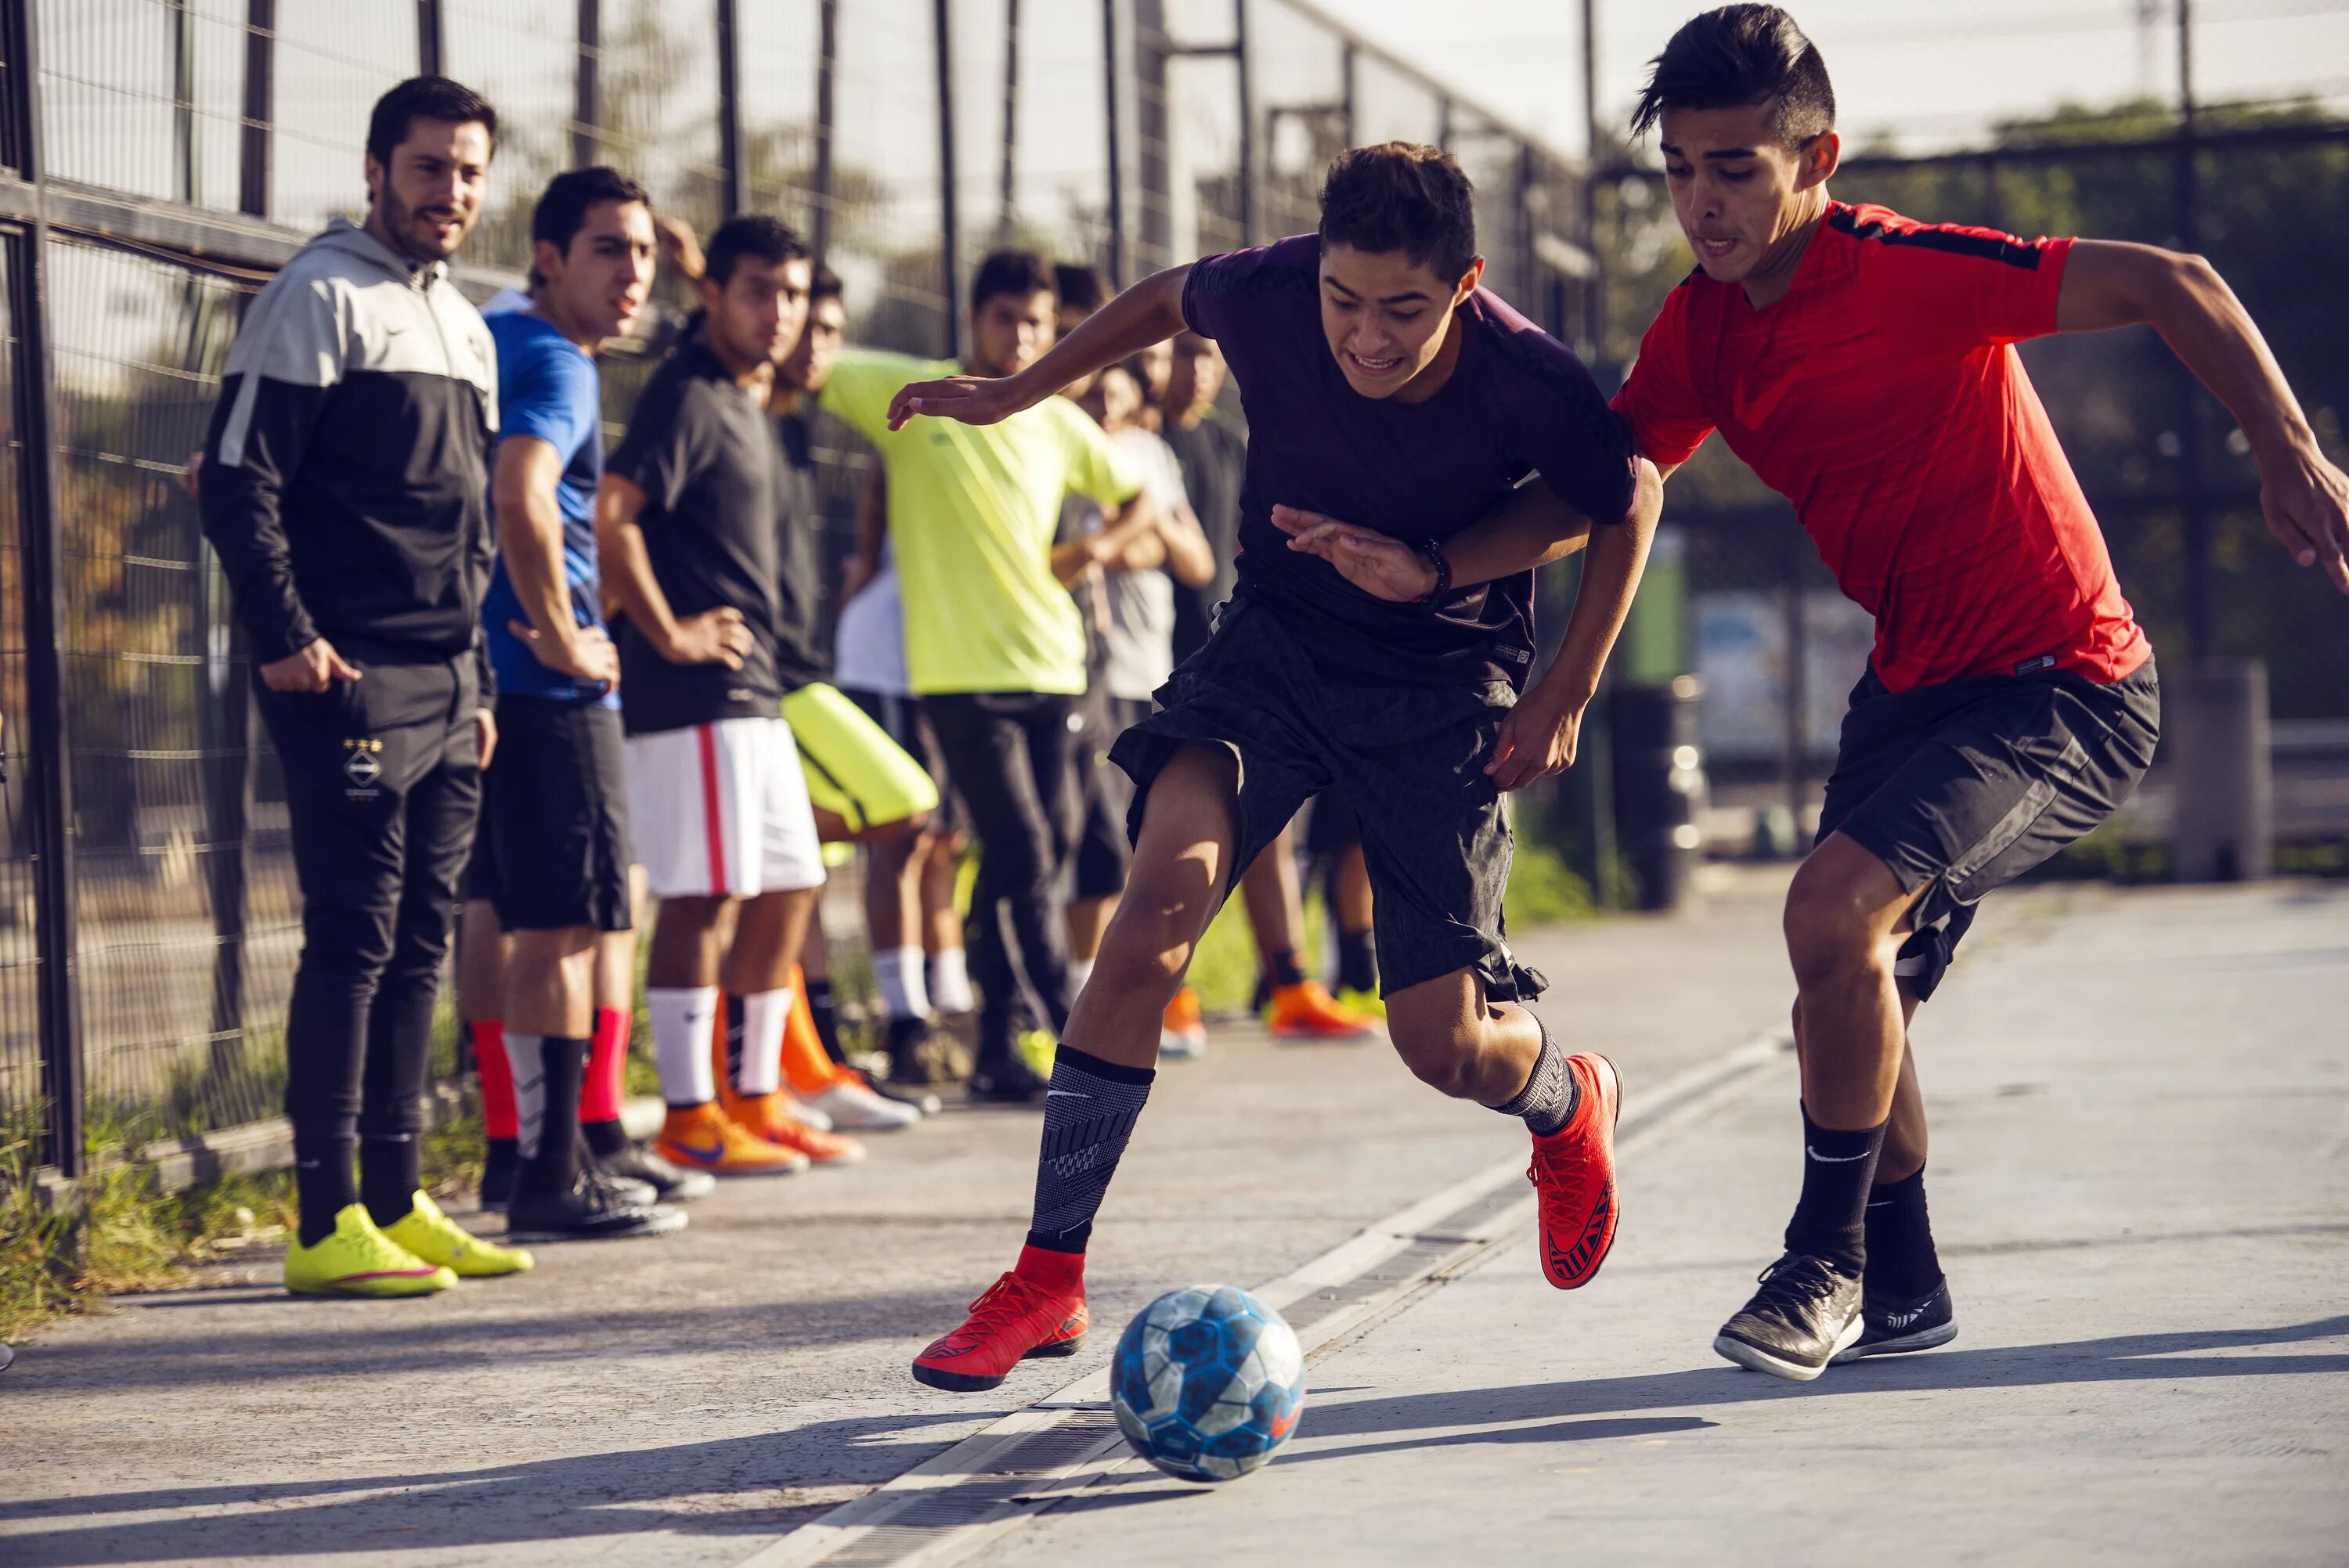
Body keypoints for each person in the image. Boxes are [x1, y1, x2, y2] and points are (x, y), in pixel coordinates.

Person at [1615, 5, 2349, 1382]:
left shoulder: (1902, 270)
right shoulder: (1699, 333)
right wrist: (1420, 547)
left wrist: (2286, 448)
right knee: (1846, 969)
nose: (1700, 201)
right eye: (1680, 170)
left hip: (2064, 679)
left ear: (1814, 158)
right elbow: (1604, 478)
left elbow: (2174, 276)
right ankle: (1906, 1284)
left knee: (1831, 910)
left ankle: (1820, 1262)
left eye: (1734, 169)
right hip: (1915, 689)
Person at [891, 142, 1662, 1391]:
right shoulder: (1268, 291)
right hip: (1281, 645)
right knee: (1151, 915)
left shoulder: (1527, 375)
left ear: (1464, 282)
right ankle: (1046, 1276)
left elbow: (1621, 496)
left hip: (1437, 685)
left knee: (1442, 1043)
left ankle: (1568, 1097)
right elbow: (1161, 298)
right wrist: (1020, 390)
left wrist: (1550, 675)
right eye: (1343, 299)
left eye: (1402, 309)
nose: (1364, 334)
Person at [199, 76, 532, 1295]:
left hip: (450, 683)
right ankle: (322, 1215)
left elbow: (473, 533)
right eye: (429, 167)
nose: (450, 191)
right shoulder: (316, 295)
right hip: (342, 670)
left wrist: (483, 679)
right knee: (352, 934)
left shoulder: (468, 324)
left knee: (421, 939)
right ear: (378, 169)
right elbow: (241, 482)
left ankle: (395, 1195)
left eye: (468, 171)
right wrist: (287, 634)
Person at [817, 251, 1153, 1103]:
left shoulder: (1062, 420)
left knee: (1032, 857)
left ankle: (1000, 1043)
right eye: (1006, 318)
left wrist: (1100, 550)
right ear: (974, 319)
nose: (1023, 337)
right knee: (1022, 848)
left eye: (1038, 323)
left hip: (1056, 671)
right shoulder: (917, 391)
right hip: (959, 679)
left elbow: (1139, 488)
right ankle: (1080, 1047)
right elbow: (803, 356)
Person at [596, 214, 863, 1177]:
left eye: (791, 294)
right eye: (757, 291)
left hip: (756, 693)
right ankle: (687, 1113)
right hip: (694, 691)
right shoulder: (686, 392)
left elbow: (781, 343)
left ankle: (755, 1094)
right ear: (713, 296)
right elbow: (613, 514)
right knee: (703, 895)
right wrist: (667, 631)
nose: (780, 313)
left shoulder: (753, 391)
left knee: (791, 880)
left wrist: (708, 267)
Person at [473, 166, 687, 1239]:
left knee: (521, 921)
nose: (633, 272)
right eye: (609, 249)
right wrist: (563, 630)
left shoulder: (495, 337)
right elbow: (521, 487)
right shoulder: (555, 360)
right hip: (548, 686)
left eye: (642, 252)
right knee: (569, 925)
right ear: (549, 258)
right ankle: (555, 1177)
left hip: (491, 684)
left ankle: (522, 1161)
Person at [1149, 330, 1380, 1048]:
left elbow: (1254, 548)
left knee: (1268, 823)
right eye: (1185, 355)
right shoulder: (1138, 444)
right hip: (1152, 667)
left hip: (1234, 662)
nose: (1198, 371)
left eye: (1211, 357)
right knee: (1163, 838)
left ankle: (1289, 983)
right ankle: (1166, 992)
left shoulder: (1228, 446)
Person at [1064, 359, 1217, 1052]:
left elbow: (1196, 559)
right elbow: (1076, 550)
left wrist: (1136, 534)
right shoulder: (1068, 444)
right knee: (1096, 839)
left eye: (1114, 390)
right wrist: (1132, 535)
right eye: (1092, 389)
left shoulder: (1148, 453)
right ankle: (1086, 997)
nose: (1102, 400)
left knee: (1145, 851)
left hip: (1153, 670)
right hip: (1094, 670)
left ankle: (1154, 997)